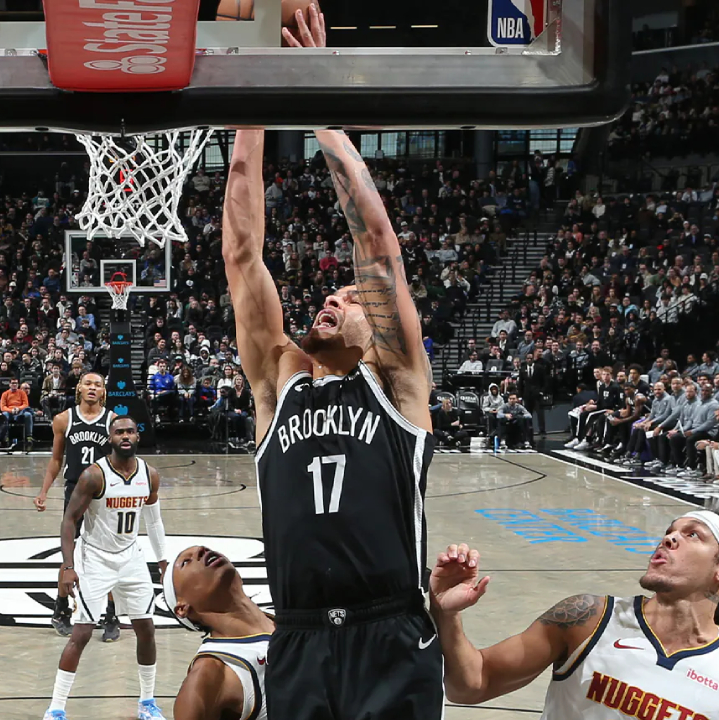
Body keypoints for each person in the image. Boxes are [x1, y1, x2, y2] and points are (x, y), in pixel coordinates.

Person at [226, 11, 441, 717]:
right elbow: (240, 253)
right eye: (329, 290)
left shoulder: (397, 384)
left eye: (346, 296)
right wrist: (253, 96)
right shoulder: (277, 380)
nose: (330, 296)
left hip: (390, 629)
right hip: (298, 635)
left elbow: (375, 241)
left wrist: (319, 106)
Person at [430, 510, 719, 720]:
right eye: (670, 531)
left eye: (691, 535)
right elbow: (472, 685)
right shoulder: (588, 618)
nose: (670, 538)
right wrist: (448, 614)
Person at [44, 416, 169, 720]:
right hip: (96, 558)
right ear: (109, 438)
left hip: (131, 556)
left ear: (138, 437)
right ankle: (56, 709)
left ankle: (147, 703)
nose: (125, 436)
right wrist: (68, 565)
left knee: (146, 628)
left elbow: (153, 520)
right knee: (83, 632)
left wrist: (163, 561)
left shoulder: (149, 475)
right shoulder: (93, 475)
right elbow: (69, 520)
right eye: (119, 432)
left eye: (130, 431)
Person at [36, 372, 120, 638]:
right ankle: (61, 609)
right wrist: (44, 491)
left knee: (108, 554)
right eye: (88, 383)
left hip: (105, 491)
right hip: (75, 491)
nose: (93, 388)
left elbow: (121, 461)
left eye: (98, 385)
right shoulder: (64, 419)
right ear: (79, 388)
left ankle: (110, 615)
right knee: (70, 553)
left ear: (104, 391)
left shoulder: (113, 421)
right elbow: (56, 459)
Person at [166, 545, 275, 720]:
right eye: (186, 562)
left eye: (203, 549)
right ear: (182, 608)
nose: (201, 550)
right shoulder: (211, 673)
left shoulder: (291, 619)